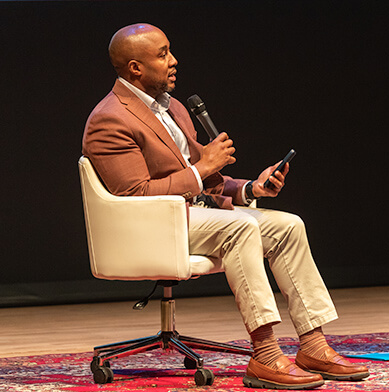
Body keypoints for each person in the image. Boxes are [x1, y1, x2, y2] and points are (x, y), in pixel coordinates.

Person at [82, 23, 369, 389]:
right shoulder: (110, 118)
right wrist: (202, 167)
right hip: (148, 225)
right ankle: (265, 354)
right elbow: (135, 193)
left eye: (170, 51)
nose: (173, 61)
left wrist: (252, 188)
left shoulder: (173, 110)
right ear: (135, 67)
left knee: (288, 225)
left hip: (193, 216)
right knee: (240, 228)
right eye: (162, 54)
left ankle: (313, 344)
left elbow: (208, 181)